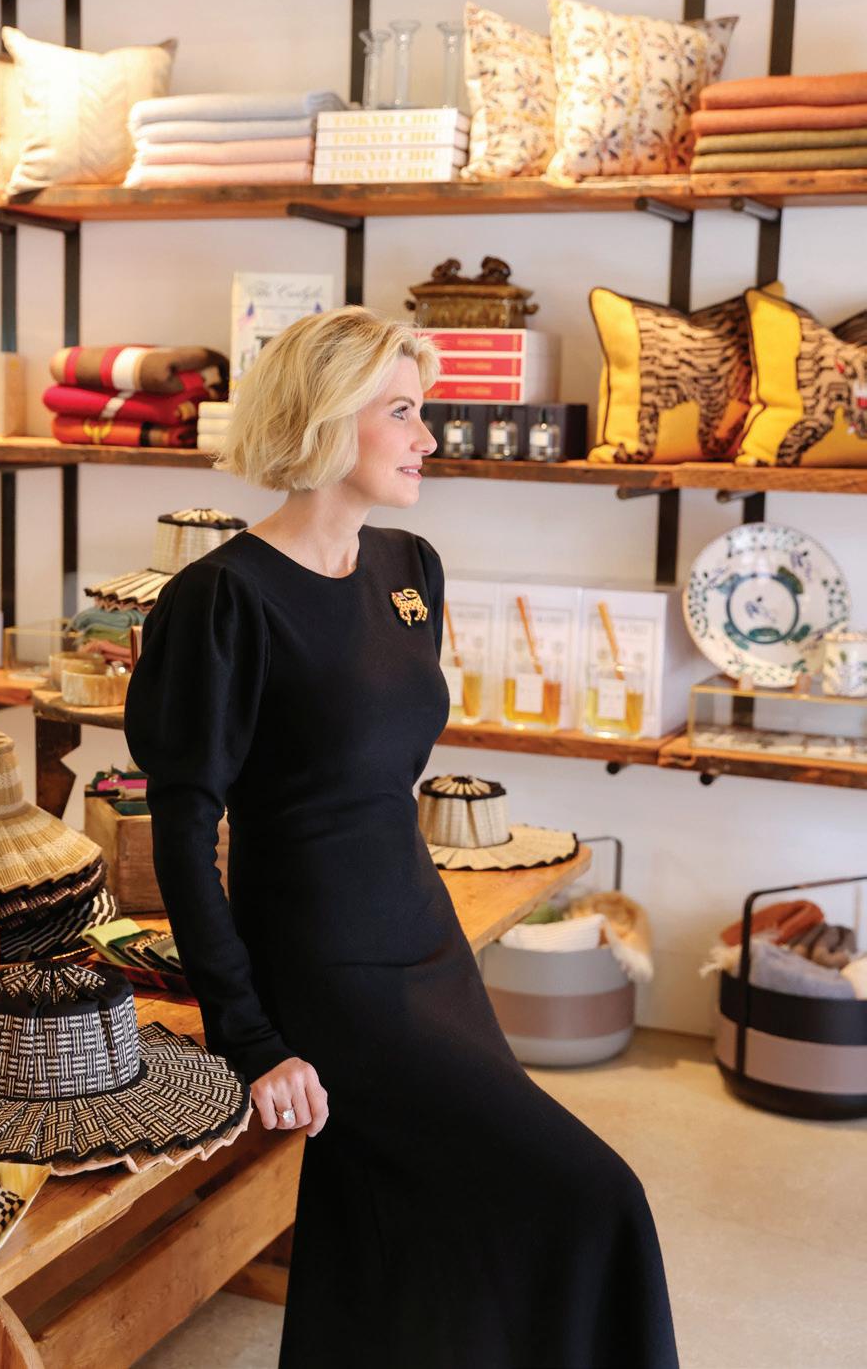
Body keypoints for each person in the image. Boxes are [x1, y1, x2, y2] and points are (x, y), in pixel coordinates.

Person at [123, 306, 679, 1369]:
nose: (427, 437)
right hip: (325, 970)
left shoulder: (409, 565)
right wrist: (251, 1037)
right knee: (590, 1192)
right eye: (402, 412)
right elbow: (184, 835)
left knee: (395, 1227)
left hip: (426, 942)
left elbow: (379, 769)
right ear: (327, 418)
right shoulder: (222, 598)